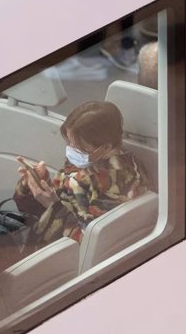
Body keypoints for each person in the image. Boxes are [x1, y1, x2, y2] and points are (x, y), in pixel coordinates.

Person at [13, 101, 148, 251]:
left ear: (107, 146)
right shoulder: (90, 160)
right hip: (43, 235)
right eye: (69, 141)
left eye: (77, 145)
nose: (71, 149)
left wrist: (53, 205)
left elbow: (92, 241)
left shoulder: (119, 181)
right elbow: (65, 195)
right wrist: (40, 181)